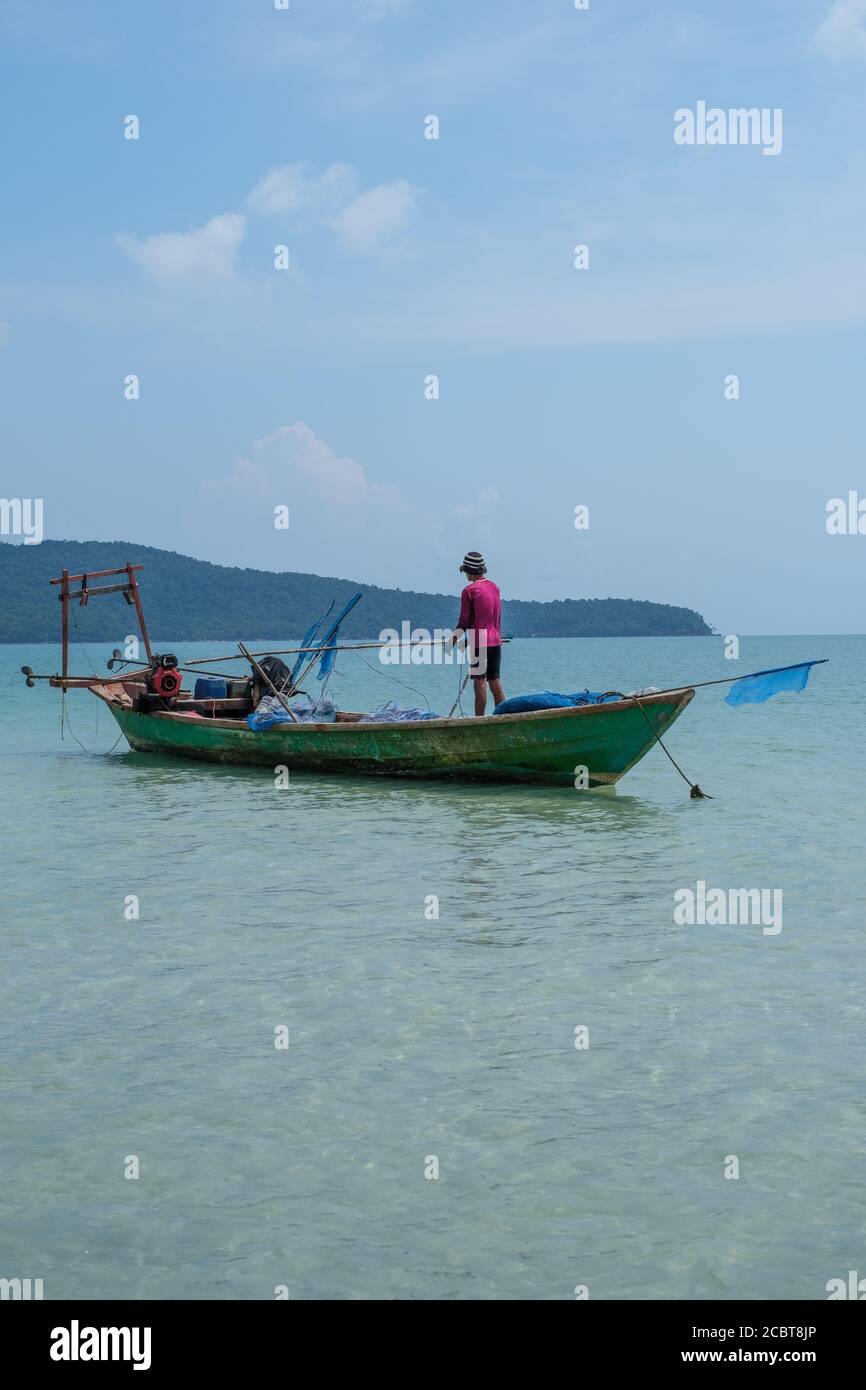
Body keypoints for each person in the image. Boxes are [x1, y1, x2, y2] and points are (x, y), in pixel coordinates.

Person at [452, 551, 505, 716]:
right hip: (496, 640)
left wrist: (453, 639)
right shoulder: (494, 587)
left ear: (468, 570)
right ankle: (503, 716)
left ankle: (479, 721)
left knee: (480, 683)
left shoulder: (469, 591)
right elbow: (496, 615)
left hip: (479, 641)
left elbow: (464, 621)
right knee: (495, 681)